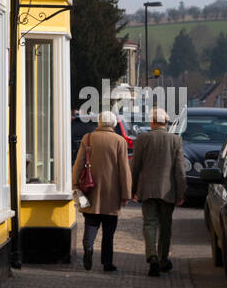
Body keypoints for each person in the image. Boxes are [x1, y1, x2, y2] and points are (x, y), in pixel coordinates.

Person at [71, 110, 132, 272]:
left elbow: (78, 164)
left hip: (90, 190)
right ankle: (107, 263)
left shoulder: (88, 138)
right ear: (112, 124)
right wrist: (126, 193)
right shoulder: (120, 141)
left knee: (90, 223)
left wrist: (75, 185)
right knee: (109, 231)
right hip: (113, 193)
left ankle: (88, 249)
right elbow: (124, 170)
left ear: (99, 123)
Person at [130, 106, 186, 276]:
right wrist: (181, 192)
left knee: (149, 224)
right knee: (166, 226)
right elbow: (180, 170)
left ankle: (152, 256)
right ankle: (163, 259)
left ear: (152, 122)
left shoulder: (143, 139)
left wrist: (132, 189)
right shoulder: (175, 140)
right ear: (166, 123)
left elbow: (135, 167)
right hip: (168, 191)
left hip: (147, 189)